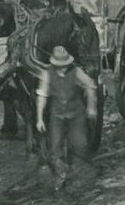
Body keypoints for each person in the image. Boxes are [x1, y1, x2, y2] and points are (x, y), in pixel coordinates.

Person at [34, 44, 96, 190]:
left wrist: (91, 107)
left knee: (80, 145)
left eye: (65, 65)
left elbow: (91, 85)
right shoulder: (47, 74)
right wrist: (39, 119)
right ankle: (61, 175)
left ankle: (80, 178)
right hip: (57, 115)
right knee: (54, 151)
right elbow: (42, 96)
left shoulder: (76, 72)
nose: (63, 68)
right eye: (59, 65)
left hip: (76, 114)